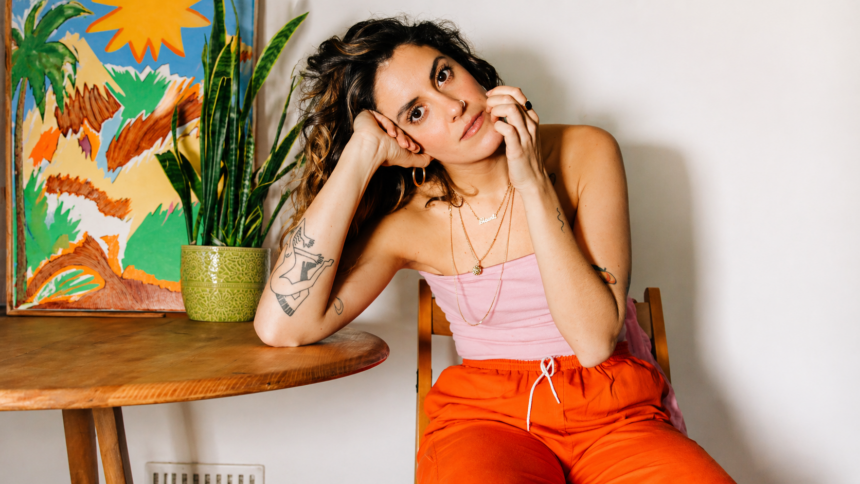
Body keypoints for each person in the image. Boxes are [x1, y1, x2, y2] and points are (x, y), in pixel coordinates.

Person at [254, 17, 734, 484]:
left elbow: (593, 343)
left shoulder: (586, 151)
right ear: (403, 139)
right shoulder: (408, 224)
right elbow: (281, 327)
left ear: (469, 68)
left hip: (614, 412)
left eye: (444, 75)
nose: (453, 106)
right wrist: (360, 156)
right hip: (487, 420)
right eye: (416, 113)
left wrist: (532, 182)